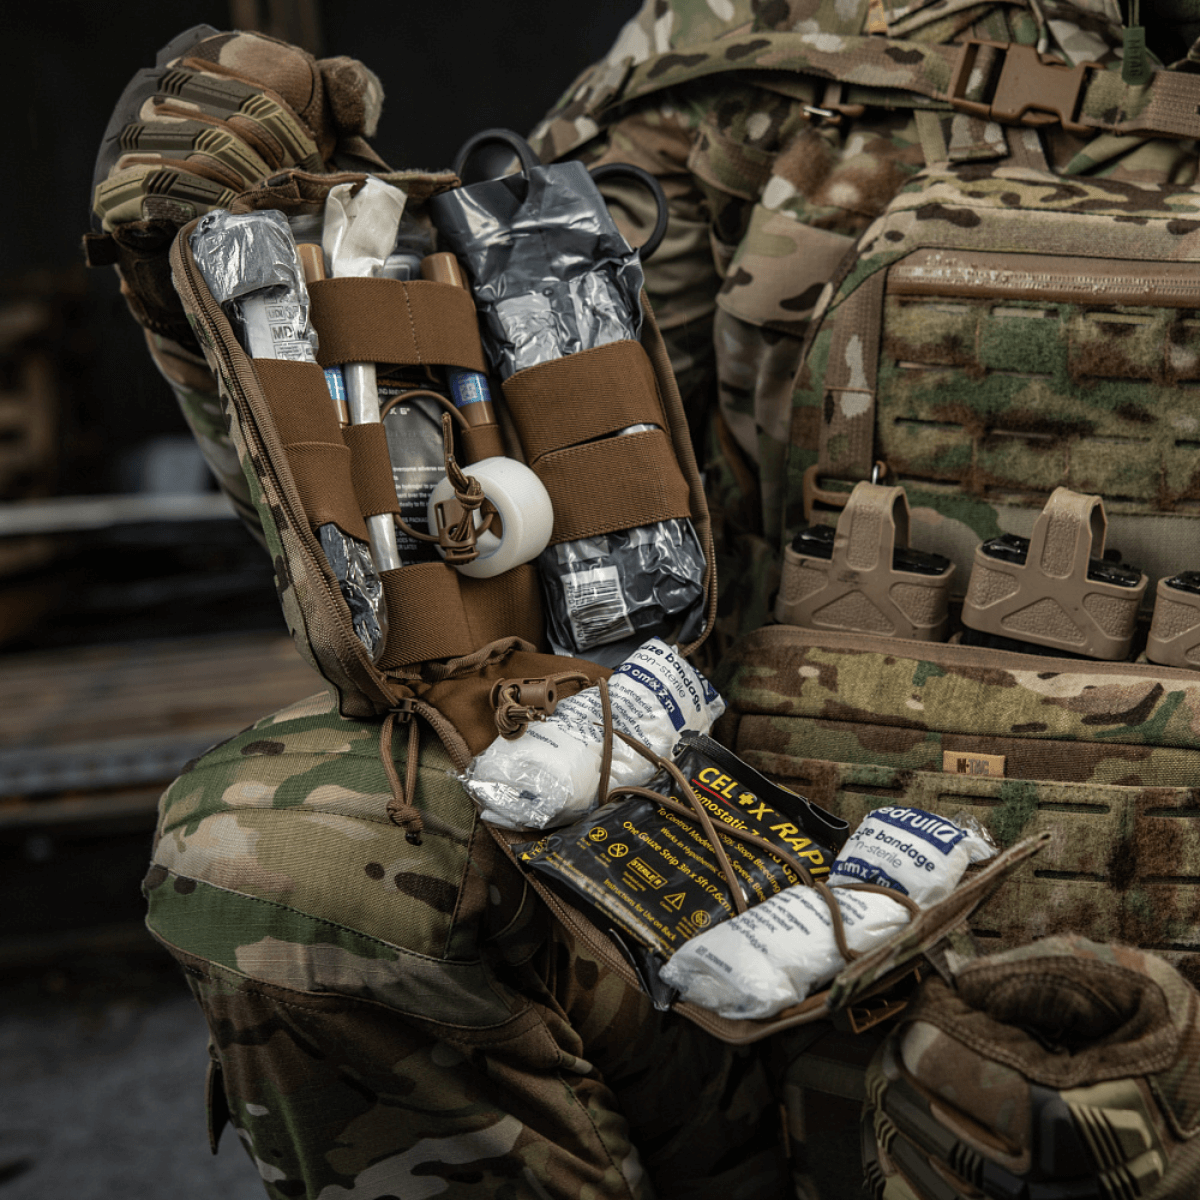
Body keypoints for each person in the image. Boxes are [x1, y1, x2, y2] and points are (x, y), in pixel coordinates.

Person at [89, 6, 1200, 1200]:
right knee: (287, 845)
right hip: (756, 884)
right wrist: (220, 292)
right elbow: (475, 509)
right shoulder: (768, 36)